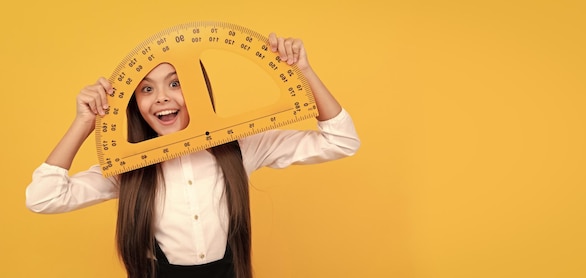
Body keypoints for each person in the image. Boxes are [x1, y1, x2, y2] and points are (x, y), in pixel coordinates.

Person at [25, 32, 360, 278]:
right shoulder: (128, 166)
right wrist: (84, 122)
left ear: (199, 91)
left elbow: (341, 141)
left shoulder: (242, 147)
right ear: (133, 104)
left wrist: (304, 71)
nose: (161, 98)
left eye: (175, 83)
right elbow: (44, 197)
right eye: (145, 88)